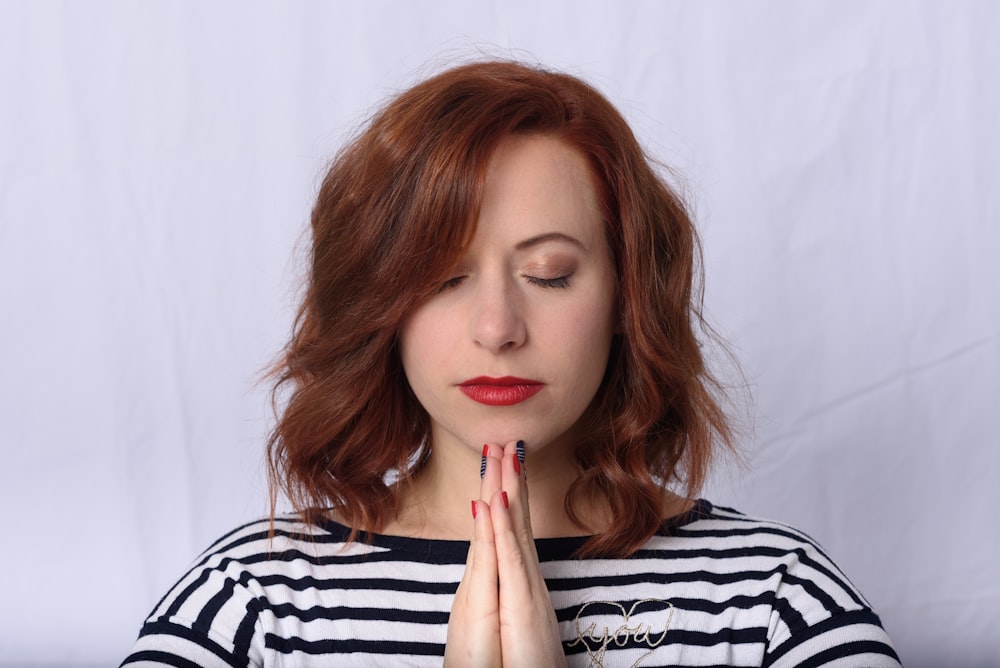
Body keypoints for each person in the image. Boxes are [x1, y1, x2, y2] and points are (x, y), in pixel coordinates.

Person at [122, 60, 900, 667]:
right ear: (380, 304)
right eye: (441, 277)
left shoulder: (774, 599)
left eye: (551, 274)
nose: (497, 328)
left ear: (629, 295)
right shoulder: (253, 599)